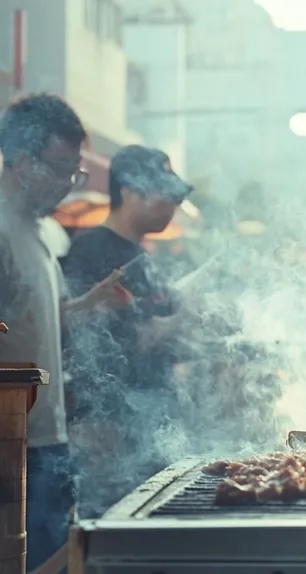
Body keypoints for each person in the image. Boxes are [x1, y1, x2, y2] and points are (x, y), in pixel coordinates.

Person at [0, 93, 126, 570]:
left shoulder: (45, 233)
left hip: (47, 436)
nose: (67, 185)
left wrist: (88, 304)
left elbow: (37, 321)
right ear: (22, 160)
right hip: (11, 442)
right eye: (59, 169)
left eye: (75, 172)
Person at [61, 144, 194, 516]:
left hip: (154, 429)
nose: (173, 205)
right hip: (113, 436)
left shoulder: (145, 258)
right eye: (164, 194)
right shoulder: (92, 251)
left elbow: (167, 337)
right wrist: (180, 321)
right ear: (130, 192)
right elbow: (101, 349)